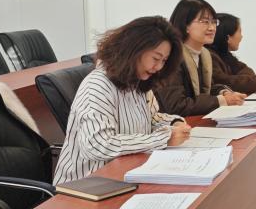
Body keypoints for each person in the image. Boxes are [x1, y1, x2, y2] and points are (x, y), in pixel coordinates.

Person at [53, 17, 192, 184]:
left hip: (125, 175)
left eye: (164, 61)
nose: (159, 67)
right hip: (84, 186)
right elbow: (98, 145)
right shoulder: (97, 86)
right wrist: (162, 139)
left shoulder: (138, 82)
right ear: (134, 50)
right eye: (156, 58)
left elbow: (151, 118)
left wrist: (174, 123)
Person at [155, 0, 247, 116]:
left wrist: (224, 93)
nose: (212, 28)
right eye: (205, 22)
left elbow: (204, 90)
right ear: (186, 25)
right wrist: (220, 101)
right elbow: (176, 105)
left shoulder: (204, 54)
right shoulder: (172, 57)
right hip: (174, 124)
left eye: (214, 22)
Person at [207, 13, 256, 95]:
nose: (241, 36)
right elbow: (225, 83)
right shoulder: (209, 56)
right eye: (239, 32)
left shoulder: (225, 55)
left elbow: (245, 70)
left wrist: (248, 80)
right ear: (228, 37)